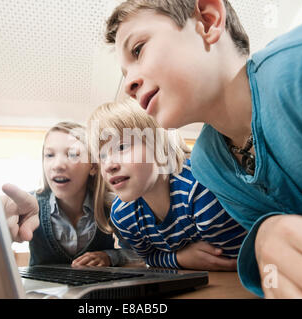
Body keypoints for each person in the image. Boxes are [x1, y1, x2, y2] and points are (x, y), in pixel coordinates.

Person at [104, 0, 302, 298]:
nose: (128, 84)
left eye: (138, 49)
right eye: (124, 71)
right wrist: (265, 240)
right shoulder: (209, 164)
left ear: (207, 21)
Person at [87, 99, 247, 270]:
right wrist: (180, 259)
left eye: (121, 147)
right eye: (102, 156)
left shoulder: (199, 191)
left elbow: (239, 261)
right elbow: (147, 258)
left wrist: (171, 259)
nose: (109, 165)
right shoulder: (122, 214)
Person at [2, 121, 141, 267]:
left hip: (95, 288)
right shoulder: (28, 206)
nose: (57, 165)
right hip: (42, 289)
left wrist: (110, 257)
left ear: (93, 166)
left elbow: (139, 255)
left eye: (73, 154)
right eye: (49, 155)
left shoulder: (113, 206)